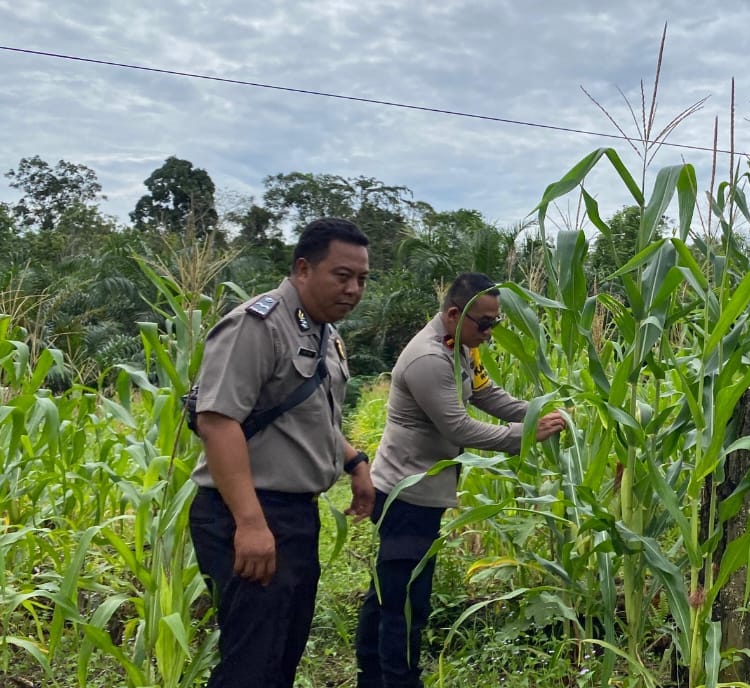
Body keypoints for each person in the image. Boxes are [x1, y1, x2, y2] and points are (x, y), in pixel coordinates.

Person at [188, 217, 376, 688]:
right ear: (302, 269)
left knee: (281, 653)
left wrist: (354, 462)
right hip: (248, 513)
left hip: (294, 516)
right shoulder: (258, 325)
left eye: (362, 279)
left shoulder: (324, 333)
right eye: (342, 275)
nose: (354, 289)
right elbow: (217, 421)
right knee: (251, 661)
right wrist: (251, 524)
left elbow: (309, 416)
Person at [355, 272, 566, 688]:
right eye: (484, 323)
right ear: (454, 314)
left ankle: (372, 676)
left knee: (389, 594)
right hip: (405, 496)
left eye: (496, 323)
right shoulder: (429, 360)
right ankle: (397, 680)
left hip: (423, 493)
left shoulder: (460, 349)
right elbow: (458, 428)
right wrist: (522, 438)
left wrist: (537, 412)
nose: (490, 333)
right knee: (405, 602)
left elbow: (489, 396)